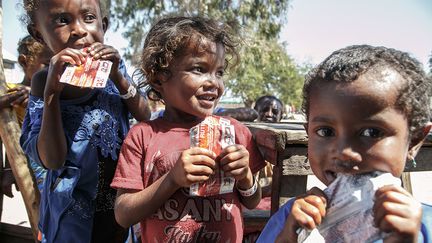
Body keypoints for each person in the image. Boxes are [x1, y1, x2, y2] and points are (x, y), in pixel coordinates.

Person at [111, 16, 266, 242]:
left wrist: (246, 178)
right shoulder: (143, 136)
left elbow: (252, 201)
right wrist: (172, 180)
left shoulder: (235, 133)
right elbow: (123, 214)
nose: (214, 82)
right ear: (158, 78)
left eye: (219, 72)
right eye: (199, 69)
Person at [257, 45, 432, 242]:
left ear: (414, 141)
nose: (343, 152)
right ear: (309, 136)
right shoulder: (290, 220)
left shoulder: (424, 225)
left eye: (371, 132)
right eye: (326, 131)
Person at [19, 0, 150, 242]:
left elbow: (145, 116)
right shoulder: (42, 81)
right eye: (62, 20)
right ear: (39, 34)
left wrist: (119, 78)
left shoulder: (114, 68)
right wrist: (52, 93)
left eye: (88, 18)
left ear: (104, 24)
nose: (79, 29)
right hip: (71, 215)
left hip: (117, 204)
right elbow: (52, 159)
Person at [0, 35, 52, 199]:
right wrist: (10, 169)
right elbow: (13, 133)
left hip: (50, 164)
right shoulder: (12, 92)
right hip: (27, 167)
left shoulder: (53, 93)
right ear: (24, 62)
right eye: (47, 64)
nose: (53, 69)